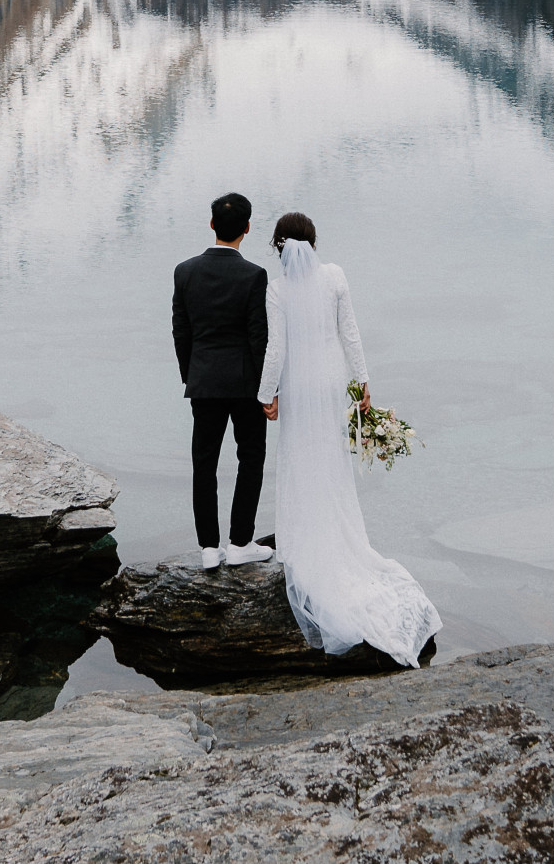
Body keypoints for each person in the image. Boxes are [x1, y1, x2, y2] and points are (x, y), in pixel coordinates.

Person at [256, 211, 440, 666]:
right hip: (332, 383)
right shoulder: (335, 276)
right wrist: (361, 386)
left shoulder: (276, 289)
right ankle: (338, 536)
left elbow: (275, 349)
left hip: (299, 388)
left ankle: (303, 539)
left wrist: (266, 394)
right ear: (314, 243)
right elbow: (350, 335)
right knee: (330, 462)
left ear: (280, 248)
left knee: (300, 458)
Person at [172, 191, 274, 569]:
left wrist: (192, 374)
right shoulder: (254, 275)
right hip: (245, 384)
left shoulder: (185, 271)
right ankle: (241, 543)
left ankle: (209, 549)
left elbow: (180, 332)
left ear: (212, 224)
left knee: (205, 463)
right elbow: (258, 338)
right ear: (247, 229)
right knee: (250, 458)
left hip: (203, 382)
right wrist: (268, 391)